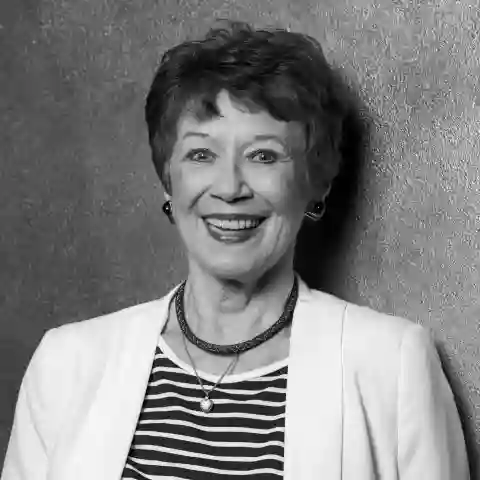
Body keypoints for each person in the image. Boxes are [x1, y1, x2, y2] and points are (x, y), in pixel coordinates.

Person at [1, 20, 469, 480]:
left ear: (315, 181)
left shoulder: (393, 365)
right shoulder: (67, 364)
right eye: (201, 154)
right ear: (168, 179)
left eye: (263, 156)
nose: (229, 188)